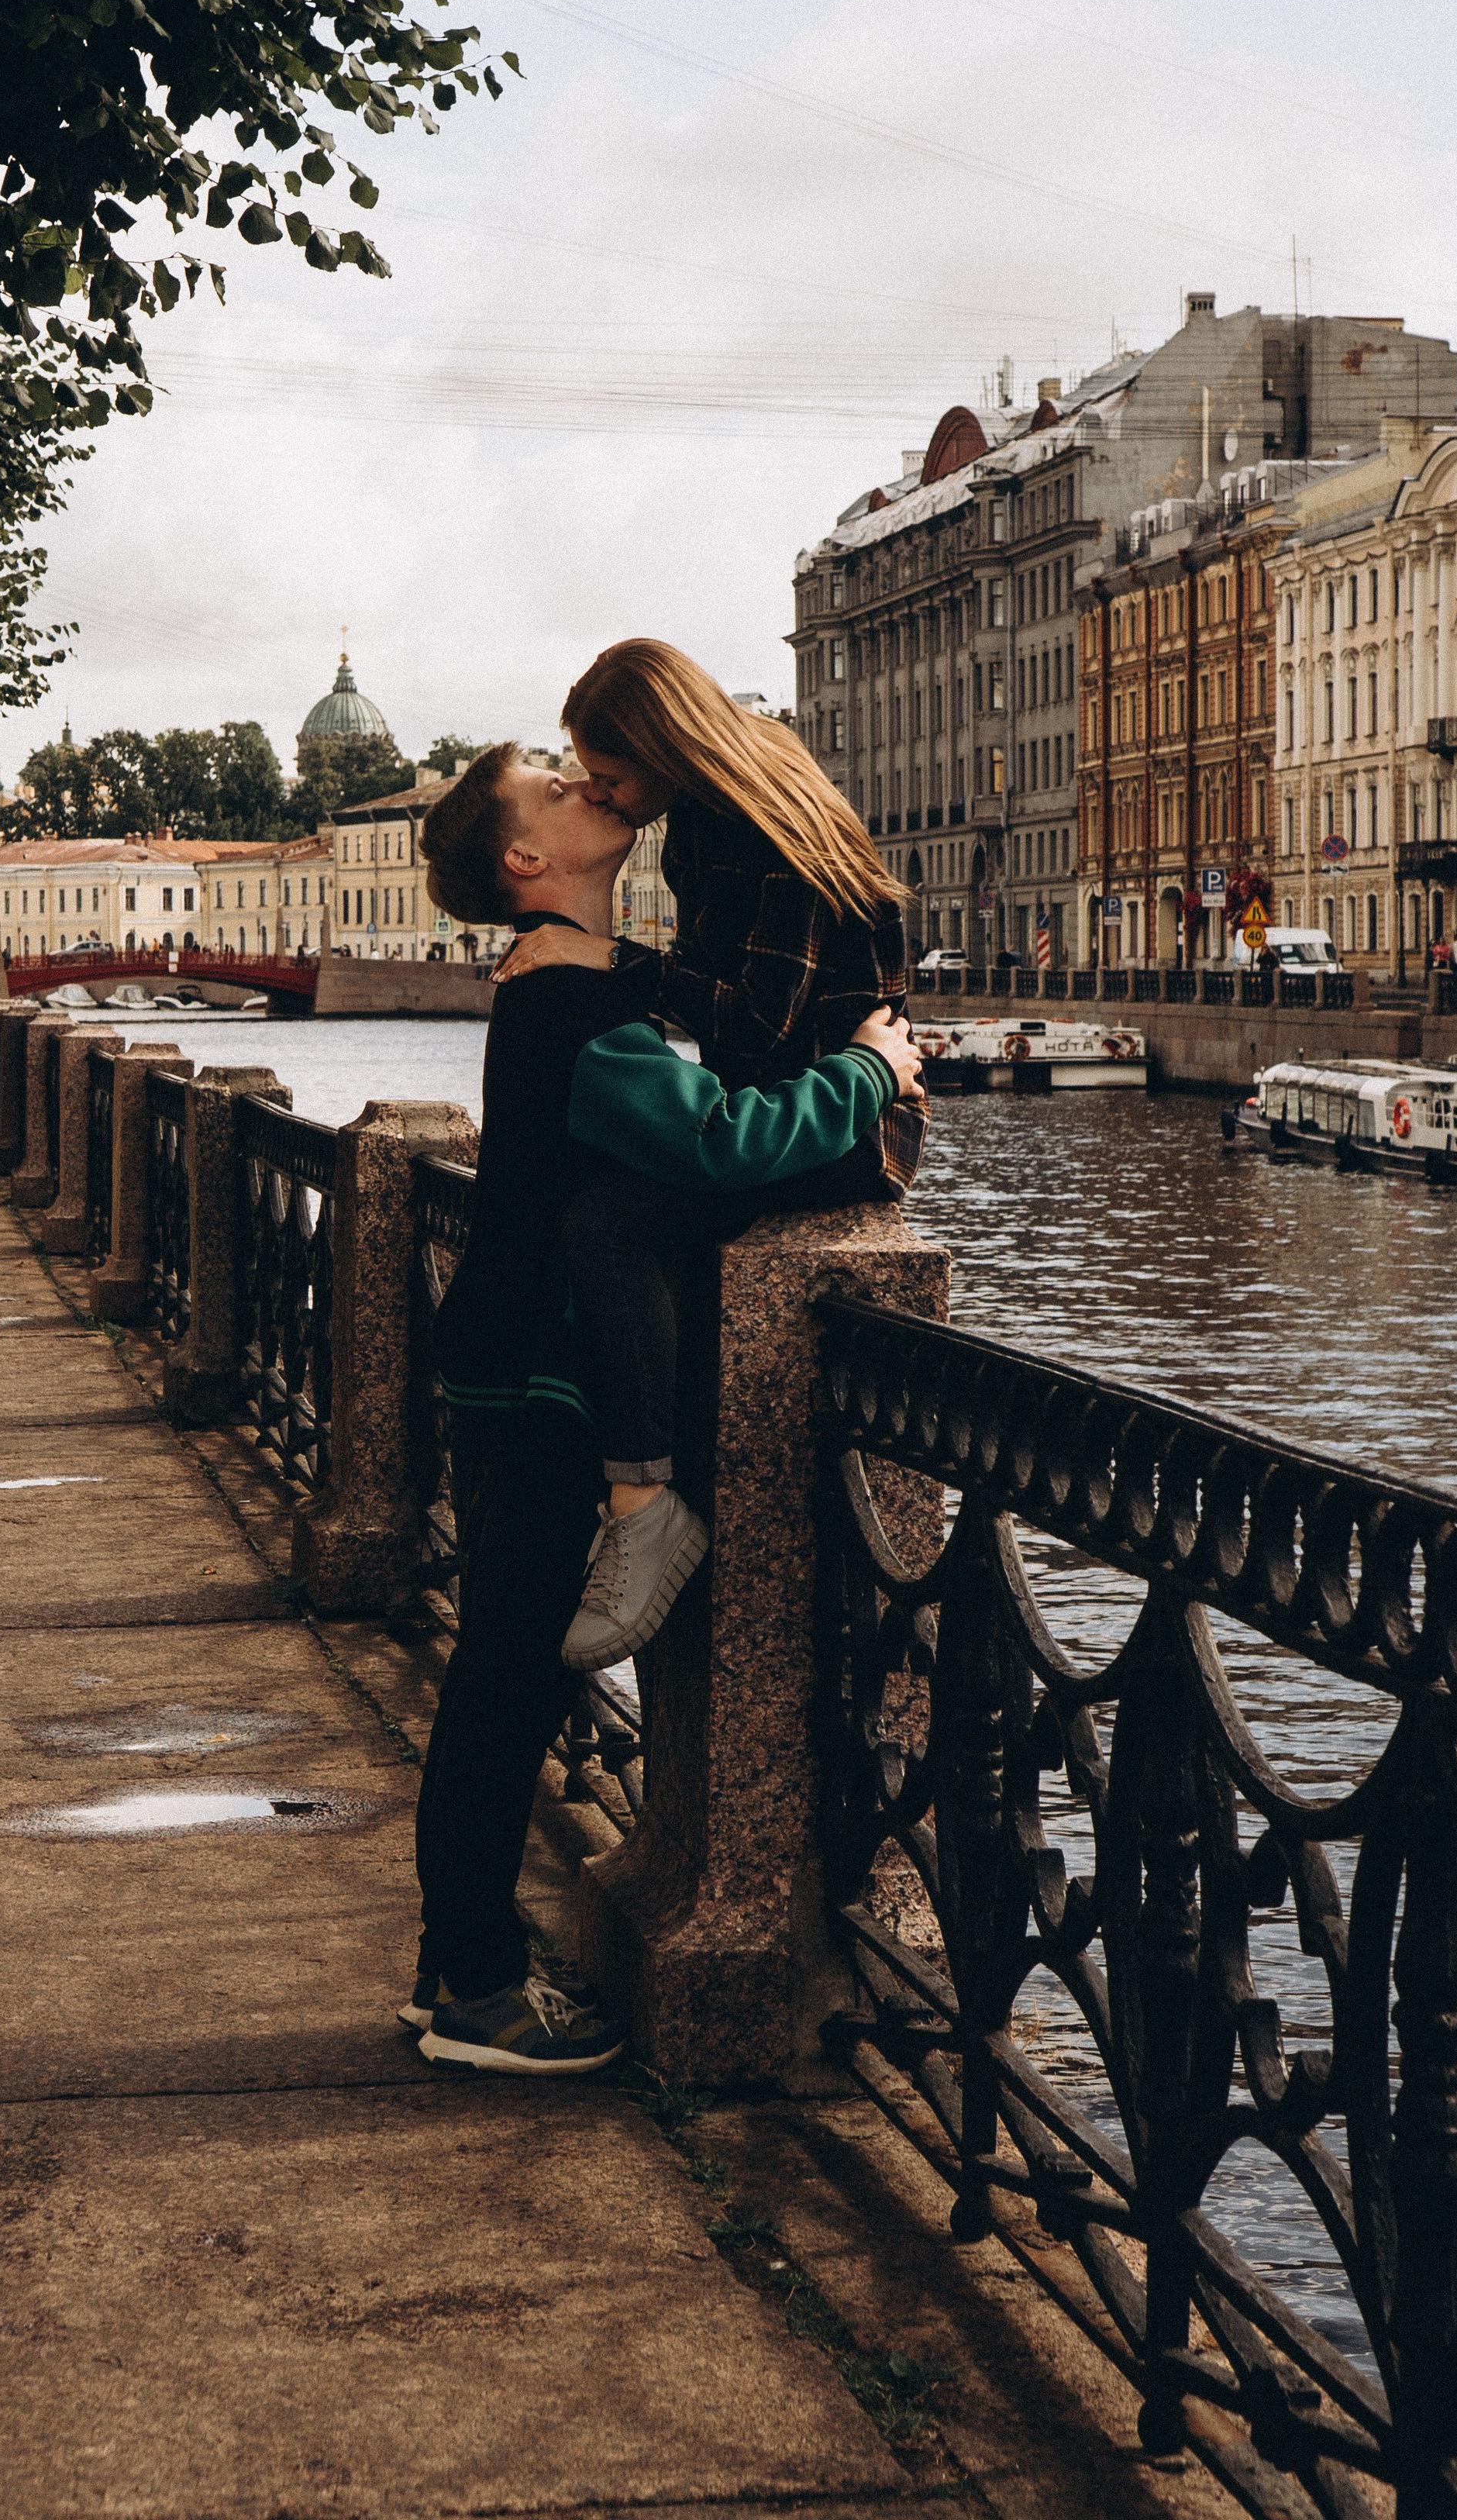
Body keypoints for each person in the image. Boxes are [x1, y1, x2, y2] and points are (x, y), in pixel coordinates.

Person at [408, 746, 922, 2075]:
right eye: (553, 785)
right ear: (528, 861)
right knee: (506, 1684)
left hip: (509, 1362)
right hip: (533, 1379)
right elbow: (724, 1141)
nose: (586, 785)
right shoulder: (573, 1012)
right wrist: (870, 1070)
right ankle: (473, 1990)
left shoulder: (574, 979)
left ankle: (456, 1966)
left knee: (498, 1677)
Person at [492, 643, 925, 1668]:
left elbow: (763, 1024)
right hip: (789, 1107)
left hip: (846, 1125)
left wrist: (605, 960)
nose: (601, 791)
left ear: (666, 745)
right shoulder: (704, 816)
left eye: (612, 772)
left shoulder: (762, 824)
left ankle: (645, 1507)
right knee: (612, 1204)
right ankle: (640, 1492)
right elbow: (729, 1014)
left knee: (608, 1219)